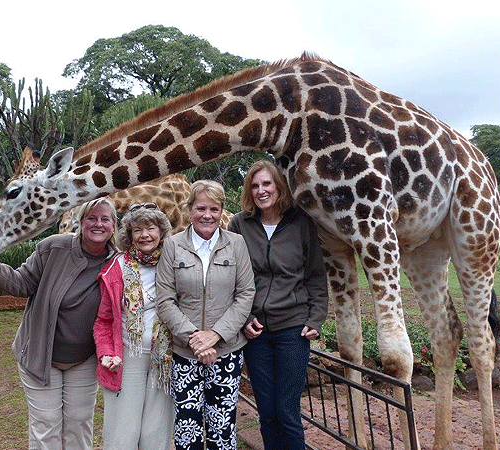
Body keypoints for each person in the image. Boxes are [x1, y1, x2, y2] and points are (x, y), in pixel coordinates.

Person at [0, 197, 118, 450]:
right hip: (40, 355)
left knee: (79, 422)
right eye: (92, 218)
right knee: (47, 423)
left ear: (113, 225)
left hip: (84, 358)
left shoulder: (118, 263)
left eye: (105, 219)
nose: (98, 224)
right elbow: (22, 283)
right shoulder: (54, 248)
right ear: (80, 222)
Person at [227, 160, 328, 450]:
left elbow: (315, 275)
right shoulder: (239, 224)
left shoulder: (300, 222)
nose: (261, 191)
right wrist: (244, 317)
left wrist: (316, 318)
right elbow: (233, 277)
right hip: (256, 333)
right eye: (255, 185)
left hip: (292, 330)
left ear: (279, 186)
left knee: (287, 412)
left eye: (267, 184)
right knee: (267, 414)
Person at [155, 179, 255, 450]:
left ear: (222, 210)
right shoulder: (173, 246)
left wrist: (215, 335)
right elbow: (165, 299)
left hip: (226, 351)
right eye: (201, 208)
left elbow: (245, 294)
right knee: (187, 429)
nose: (207, 215)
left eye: (214, 209)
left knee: (222, 428)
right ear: (190, 211)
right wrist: (195, 339)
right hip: (185, 353)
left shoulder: (236, 244)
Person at [93, 202, 174, 450]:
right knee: (122, 431)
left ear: (161, 232)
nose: (144, 235)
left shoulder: (173, 263)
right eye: (137, 230)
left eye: (150, 228)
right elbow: (104, 320)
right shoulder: (117, 267)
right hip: (127, 356)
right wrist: (107, 352)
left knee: (157, 430)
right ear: (129, 235)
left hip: (165, 359)